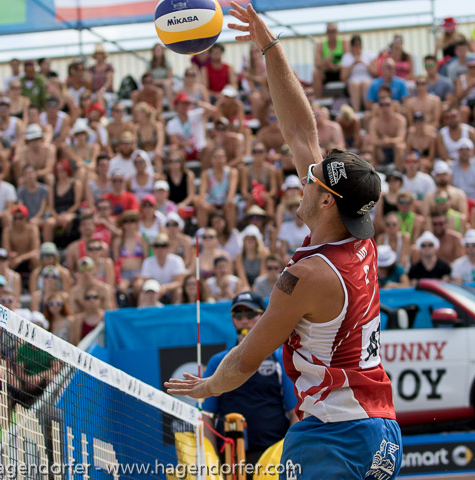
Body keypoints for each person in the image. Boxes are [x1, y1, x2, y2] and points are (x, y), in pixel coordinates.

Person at [167, 5, 401, 480]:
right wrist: (269, 47)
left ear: (328, 201)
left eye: (312, 179)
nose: (303, 178)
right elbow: (300, 132)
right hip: (381, 432)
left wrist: (207, 387)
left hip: (335, 437)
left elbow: (245, 359)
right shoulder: (359, 240)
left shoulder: (306, 276)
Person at [202, 291, 297, 468]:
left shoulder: (280, 359)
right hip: (230, 458)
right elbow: (207, 416)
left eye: (251, 313)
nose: (244, 320)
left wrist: (286, 455)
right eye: (238, 315)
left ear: (263, 317)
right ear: (233, 320)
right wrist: (212, 462)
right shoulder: (218, 361)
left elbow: (296, 413)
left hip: (272, 458)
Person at [313, 23, 348, 98]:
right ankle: (319, 99)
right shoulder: (320, 45)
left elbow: (348, 61)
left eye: (333, 31)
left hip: (340, 72)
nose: (332, 33)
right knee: (316, 73)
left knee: (347, 70)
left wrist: (336, 66)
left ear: (337, 32)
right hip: (326, 72)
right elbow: (317, 64)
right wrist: (326, 62)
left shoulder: (343, 43)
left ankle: (348, 96)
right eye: (329, 31)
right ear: (326, 33)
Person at [340, 35, 375, 112]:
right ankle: (356, 111)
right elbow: (343, 77)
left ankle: (368, 110)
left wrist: (364, 64)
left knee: (366, 83)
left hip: (367, 79)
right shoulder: (346, 57)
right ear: (351, 46)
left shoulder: (369, 55)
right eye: (355, 45)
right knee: (355, 85)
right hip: (352, 81)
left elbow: (375, 73)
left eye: (358, 45)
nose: (357, 47)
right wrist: (352, 64)